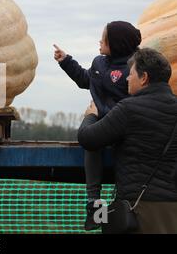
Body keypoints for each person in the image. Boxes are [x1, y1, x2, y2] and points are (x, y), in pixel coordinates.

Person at [78, 48, 177, 234]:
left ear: (144, 78)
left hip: (139, 211)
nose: (126, 79)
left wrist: (90, 116)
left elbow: (88, 139)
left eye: (131, 74)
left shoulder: (128, 109)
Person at [54, 21, 141, 230]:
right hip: (100, 122)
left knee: (118, 165)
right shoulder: (100, 63)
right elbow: (87, 80)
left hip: (123, 126)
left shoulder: (136, 67)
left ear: (116, 44)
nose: (99, 42)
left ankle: (117, 214)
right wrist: (66, 61)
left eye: (104, 38)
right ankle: (95, 206)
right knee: (91, 142)